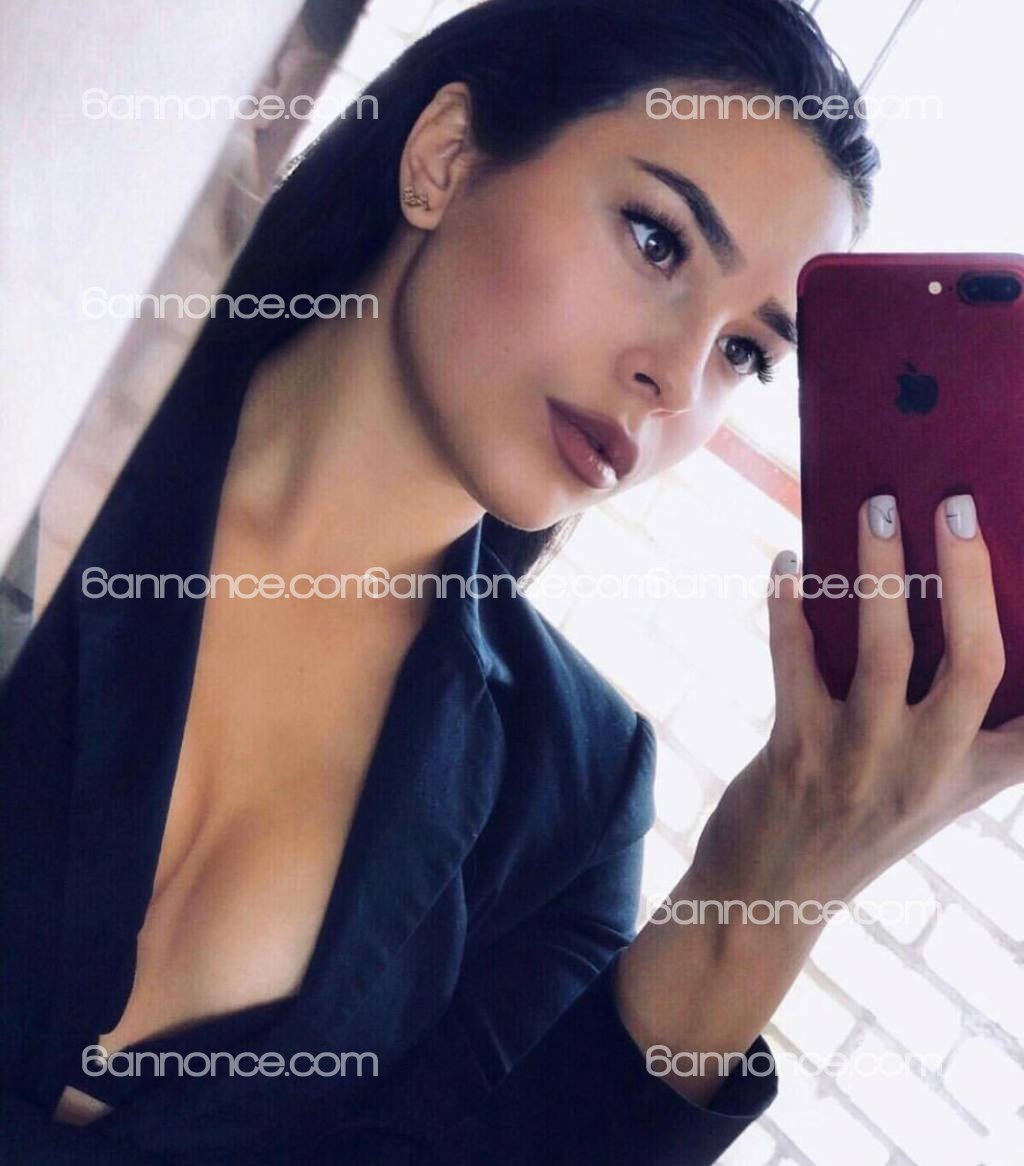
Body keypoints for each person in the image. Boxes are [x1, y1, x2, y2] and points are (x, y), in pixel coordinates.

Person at [2, 1, 1020, 1162]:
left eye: (745, 350)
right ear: (444, 158)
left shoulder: (570, 789)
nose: (675, 375)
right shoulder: (52, 404)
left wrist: (768, 890)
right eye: (655, 240)